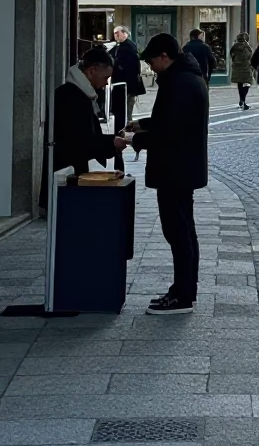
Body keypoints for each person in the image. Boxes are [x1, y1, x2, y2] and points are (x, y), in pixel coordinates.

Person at [127, 33, 209, 316]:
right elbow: (171, 120)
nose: (150, 67)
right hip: (183, 167)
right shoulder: (188, 77)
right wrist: (141, 124)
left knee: (178, 232)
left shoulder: (179, 82)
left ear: (164, 56)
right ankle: (185, 290)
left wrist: (135, 140)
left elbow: (171, 131)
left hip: (175, 168)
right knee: (184, 230)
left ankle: (182, 295)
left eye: (152, 61)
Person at [54, 47, 128, 177]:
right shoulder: (74, 97)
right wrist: (112, 143)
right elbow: (81, 141)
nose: (106, 83)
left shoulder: (79, 94)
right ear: (92, 70)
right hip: (67, 171)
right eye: (105, 77)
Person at [109, 25, 145, 125]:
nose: (115, 35)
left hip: (127, 82)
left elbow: (131, 65)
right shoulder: (119, 46)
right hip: (122, 82)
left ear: (125, 34)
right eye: (114, 33)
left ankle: (127, 124)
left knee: (126, 106)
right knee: (122, 107)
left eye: (118, 33)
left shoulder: (129, 46)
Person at [230, 31, 253, 108]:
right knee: (247, 83)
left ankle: (241, 99)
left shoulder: (234, 46)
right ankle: (243, 100)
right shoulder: (246, 46)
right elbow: (249, 56)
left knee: (240, 84)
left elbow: (232, 56)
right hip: (245, 68)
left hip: (237, 68)